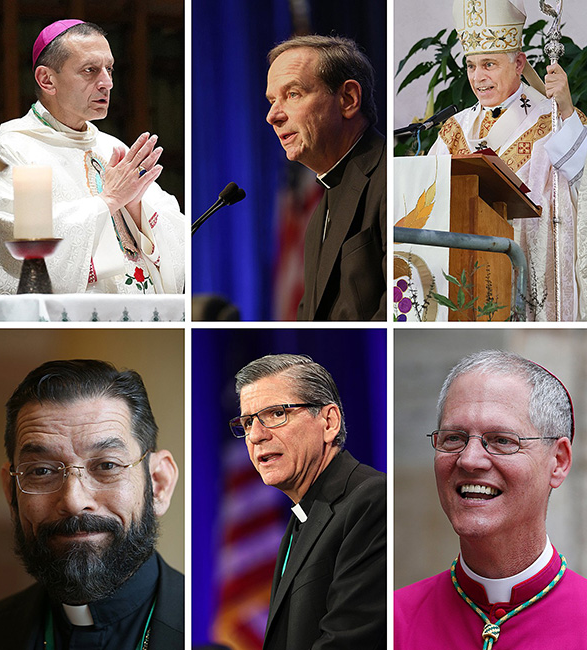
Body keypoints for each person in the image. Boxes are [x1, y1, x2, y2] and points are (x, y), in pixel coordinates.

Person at [394, 350, 586, 648]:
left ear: (558, 462)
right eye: (453, 438)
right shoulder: (394, 620)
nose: (469, 460)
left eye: (502, 440)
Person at [0, 360, 183, 648]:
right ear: (11, 492)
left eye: (107, 465)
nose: (73, 501)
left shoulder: (206, 630)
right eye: (42, 471)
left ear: (158, 483)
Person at [0, 20, 187, 295]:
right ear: (47, 79)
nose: (107, 83)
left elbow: (176, 231)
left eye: (109, 69)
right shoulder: (9, 151)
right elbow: (21, 246)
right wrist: (108, 201)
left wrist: (136, 209)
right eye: (90, 70)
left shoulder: (113, 148)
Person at [429, 1, 587, 321]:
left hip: (531, 271)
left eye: (489, 64)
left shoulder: (554, 119)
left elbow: (581, 180)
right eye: (471, 66)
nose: (478, 77)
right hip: (467, 271)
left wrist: (568, 110)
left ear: (518, 64)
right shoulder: (453, 130)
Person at [233, 354, 385, 649]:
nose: (256, 436)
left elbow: (348, 641)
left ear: (329, 421)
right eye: (248, 422)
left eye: (276, 414)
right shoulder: (303, 515)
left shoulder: (370, 500)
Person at [265, 35, 386, 321]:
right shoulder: (321, 207)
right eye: (272, 100)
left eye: (292, 94)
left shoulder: (390, 181)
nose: (273, 116)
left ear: (348, 99)